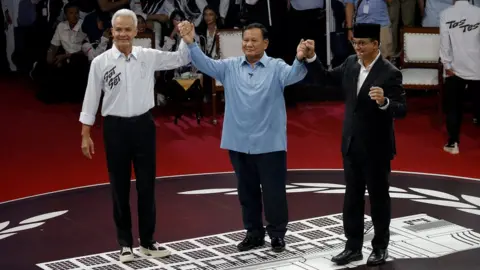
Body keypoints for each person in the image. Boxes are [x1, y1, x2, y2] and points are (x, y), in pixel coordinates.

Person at [178, 21, 309, 253]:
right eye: (245, 40)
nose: (248, 44)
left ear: (265, 43)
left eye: (254, 40)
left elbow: (295, 75)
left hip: (270, 144)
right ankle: (253, 233)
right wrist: (190, 42)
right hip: (239, 143)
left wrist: (299, 58)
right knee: (246, 192)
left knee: (274, 193)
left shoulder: (277, 67)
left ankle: (277, 235)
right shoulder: (229, 67)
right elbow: (204, 64)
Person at [79, 8, 191, 263]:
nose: (122, 34)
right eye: (118, 29)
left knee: (146, 186)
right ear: (112, 31)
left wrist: (186, 37)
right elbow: (90, 99)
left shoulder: (147, 56)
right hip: (114, 128)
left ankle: (148, 241)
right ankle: (125, 244)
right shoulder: (101, 62)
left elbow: (180, 59)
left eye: (127, 29)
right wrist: (86, 134)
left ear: (136, 30)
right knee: (118, 187)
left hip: (143, 126)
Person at [304, 23, 406, 266]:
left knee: (379, 199)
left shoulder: (390, 72)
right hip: (350, 145)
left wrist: (385, 102)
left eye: (362, 43)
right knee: (352, 198)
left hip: (377, 148)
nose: (358, 47)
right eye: (355, 42)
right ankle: (352, 248)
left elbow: (402, 110)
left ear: (375, 44)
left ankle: (380, 247)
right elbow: (327, 79)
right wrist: (312, 59)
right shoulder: (350, 63)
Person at [439, 0, 480, 154]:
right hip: (478, 68)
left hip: (454, 69)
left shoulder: (446, 14)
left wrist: (447, 65)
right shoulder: (478, 13)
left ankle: (452, 142)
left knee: (453, 108)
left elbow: (444, 42)